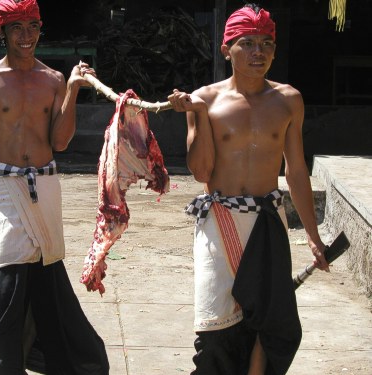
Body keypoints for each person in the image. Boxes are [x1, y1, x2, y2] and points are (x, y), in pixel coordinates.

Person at [0, 0, 109, 374]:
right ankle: (7, 364)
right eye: (17, 28)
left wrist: (74, 88)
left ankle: (60, 362)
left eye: (33, 26)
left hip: (45, 185)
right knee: (10, 276)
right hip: (4, 188)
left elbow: (60, 142)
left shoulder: (53, 80)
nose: (26, 36)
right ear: (1, 32)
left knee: (47, 277)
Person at [168, 3, 330, 375]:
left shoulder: (289, 100)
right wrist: (199, 115)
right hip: (219, 222)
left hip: (266, 224)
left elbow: (296, 172)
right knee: (216, 327)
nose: (259, 53)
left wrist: (313, 236)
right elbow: (201, 170)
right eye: (247, 43)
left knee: (271, 325)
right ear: (227, 50)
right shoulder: (204, 99)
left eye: (266, 43)